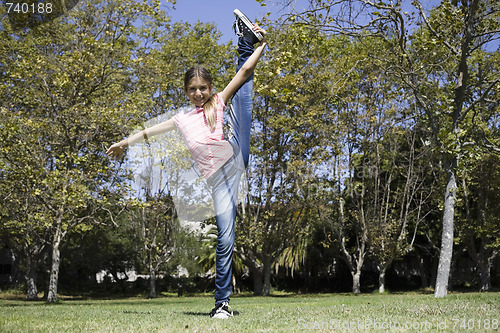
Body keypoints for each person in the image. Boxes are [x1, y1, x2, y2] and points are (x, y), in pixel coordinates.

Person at [106, 9, 267, 319]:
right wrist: (125, 142)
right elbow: (150, 131)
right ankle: (222, 305)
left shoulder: (217, 101)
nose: (198, 93)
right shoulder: (181, 119)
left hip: (233, 156)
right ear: (186, 92)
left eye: (202, 88)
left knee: (242, 105)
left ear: (209, 88)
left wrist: (262, 47)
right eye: (192, 89)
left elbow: (244, 74)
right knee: (225, 238)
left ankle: (248, 43)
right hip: (219, 182)